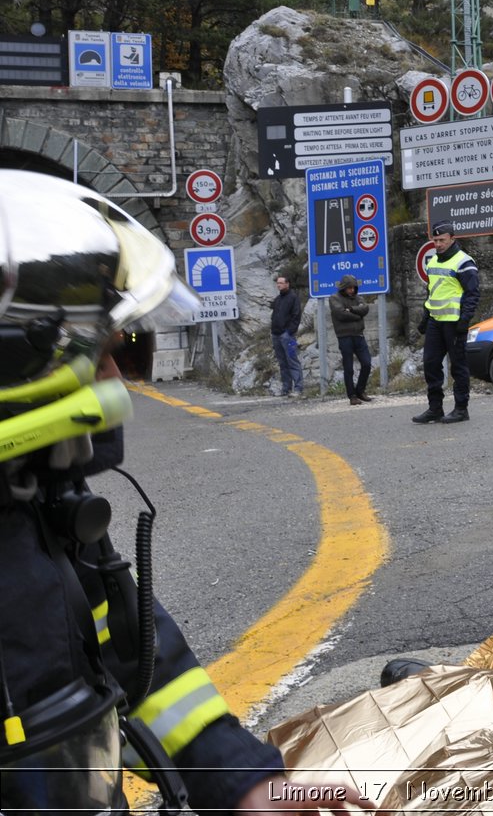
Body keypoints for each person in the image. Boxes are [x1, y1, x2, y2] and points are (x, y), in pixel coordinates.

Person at [0, 166, 372, 815]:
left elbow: (134, 653)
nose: (117, 377)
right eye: (102, 353)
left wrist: (242, 778)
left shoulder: (35, 502)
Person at [413, 222, 479, 425]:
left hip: (454, 323)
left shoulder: (464, 262)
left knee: (458, 366)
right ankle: (435, 408)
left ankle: (461, 409)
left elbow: (472, 294)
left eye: (442, 240)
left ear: (452, 238)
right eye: (435, 240)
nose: (438, 244)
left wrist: (464, 319)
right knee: (430, 363)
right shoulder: (432, 262)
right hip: (436, 321)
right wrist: (425, 317)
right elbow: (432, 292)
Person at [330, 274, 374, 405]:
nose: (352, 290)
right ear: (343, 288)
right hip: (345, 336)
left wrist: (352, 309)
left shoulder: (358, 298)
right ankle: (352, 395)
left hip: (359, 335)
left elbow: (365, 308)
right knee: (348, 367)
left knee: (366, 363)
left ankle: (360, 390)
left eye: (354, 288)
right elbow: (341, 314)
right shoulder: (334, 298)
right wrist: (357, 316)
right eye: (349, 288)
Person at [269, 273, 303, 398]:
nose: (279, 285)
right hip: (276, 335)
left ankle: (298, 388)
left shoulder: (293, 297)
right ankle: (286, 389)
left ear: (287, 284)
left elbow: (296, 316)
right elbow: (274, 316)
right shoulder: (278, 299)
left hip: (288, 336)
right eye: (278, 283)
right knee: (282, 363)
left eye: (281, 283)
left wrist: (289, 332)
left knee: (292, 360)